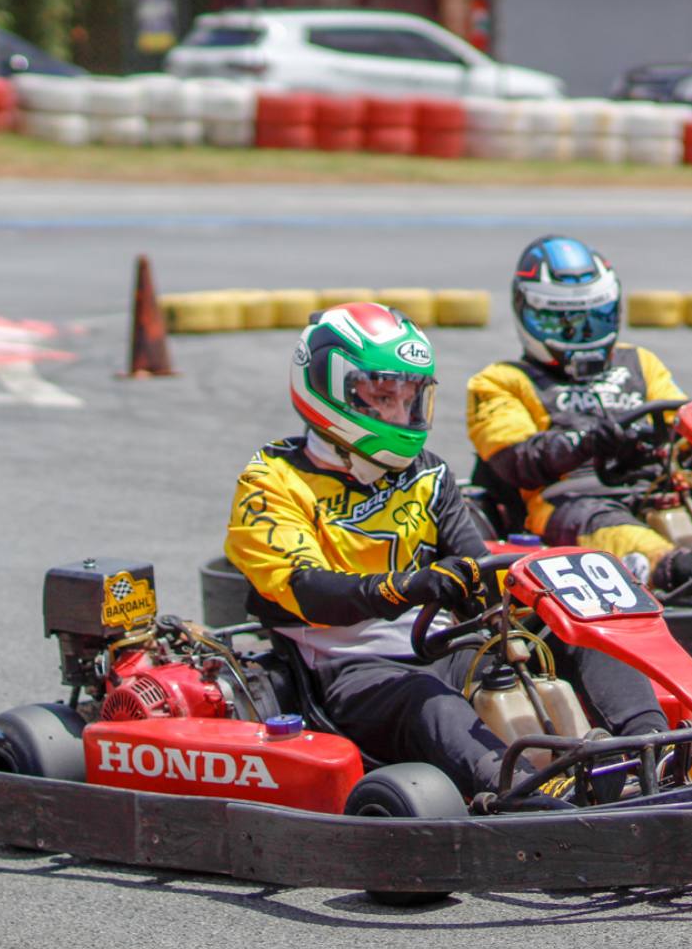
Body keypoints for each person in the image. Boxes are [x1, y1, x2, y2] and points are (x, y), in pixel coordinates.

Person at [224, 302, 667, 802]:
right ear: (330, 388)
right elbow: (306, 589)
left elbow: (478, 567)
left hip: (441, 645)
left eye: (410, 398)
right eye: (382, 396)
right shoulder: (272, 480)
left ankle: (652, 749)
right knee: (430, 701)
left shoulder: (427, 474)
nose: (400, 414)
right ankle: (531, 791)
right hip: (347, 668)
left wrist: (544, 596)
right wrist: (410, 586)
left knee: (579, 637)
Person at [466, 235, 692, 592]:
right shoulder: (501, 381)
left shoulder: (638, 363)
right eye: (563, 323)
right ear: (527, 313)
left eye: (596, 318)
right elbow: (517, 460)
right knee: (605, 522)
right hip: (572, 499)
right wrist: (588, 441)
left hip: (654, 482)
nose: (583, 335)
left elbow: (685, 427)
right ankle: (686, 573)